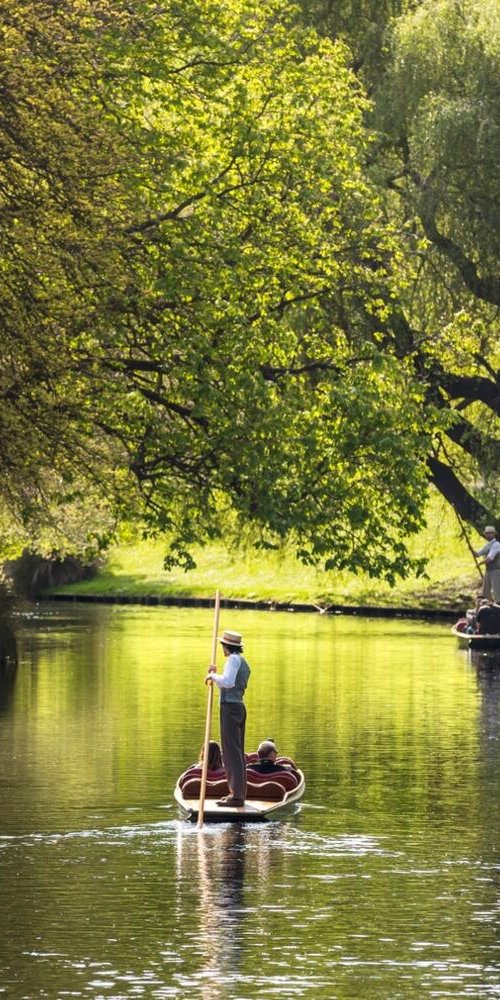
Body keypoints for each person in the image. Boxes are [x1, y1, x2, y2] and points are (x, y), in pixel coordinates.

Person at [206, 629, 250, 807]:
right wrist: (216, 678)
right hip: (237, 707)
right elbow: (228, 686)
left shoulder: (232, 659)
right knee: (236, 753)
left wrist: (212, 675)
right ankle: (237, 793)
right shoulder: (242, 661)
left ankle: (237, 797)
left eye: (222, 645)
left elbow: (229, 682)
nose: (221, 648)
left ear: (227, 646)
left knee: (231, 753)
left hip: (230, 709)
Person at [475, 526, 500, 602]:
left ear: (494, 534)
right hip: (488, 570)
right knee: (485, 591)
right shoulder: (487, 545)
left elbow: (489, 558)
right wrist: (471, 549)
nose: (488, 535)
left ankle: (498, 606)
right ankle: (489, 606)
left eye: (490, 533)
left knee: (497, 591)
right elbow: (477, 554)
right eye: (487, 533)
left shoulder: (496, 544)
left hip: (496, 571)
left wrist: (479, 564)